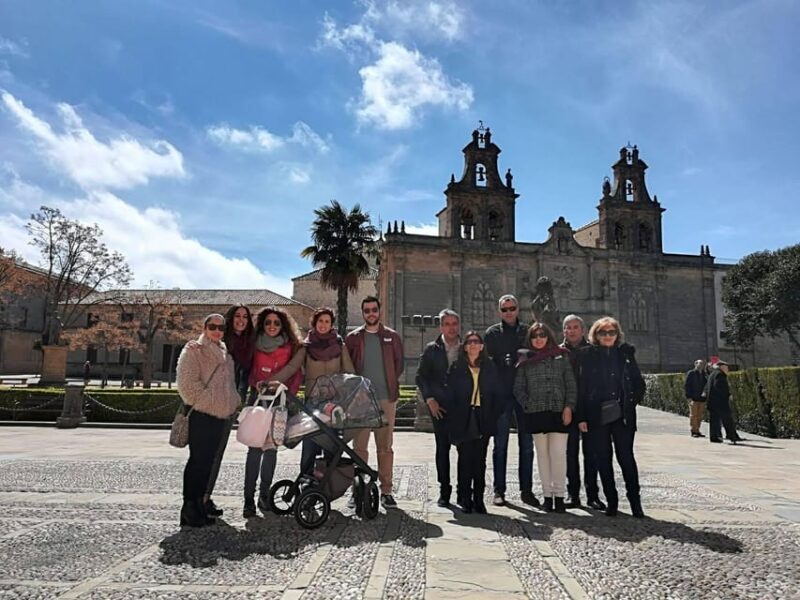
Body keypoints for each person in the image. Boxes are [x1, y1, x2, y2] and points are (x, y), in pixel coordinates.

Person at [577, 317, 646, 518]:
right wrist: (582, 416)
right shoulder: (587, 356)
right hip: (597, 415)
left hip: (622, 416)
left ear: (617, 334)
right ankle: (612, 501)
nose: (607, 336)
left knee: (626, 458)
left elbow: (639, 384)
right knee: (603, 460)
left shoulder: (625, 355)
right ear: (595, 335)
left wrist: (628, 403)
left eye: (611, 332)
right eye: (603, 332)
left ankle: (635, 502)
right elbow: (582, 388)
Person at [176, 313, 241, 527]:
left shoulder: (225, 352)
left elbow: (229, 384)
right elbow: (186, 384)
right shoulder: (194, 350)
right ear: (205, 328)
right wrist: (209, 402)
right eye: (212, 326)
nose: (217, 331)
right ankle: (189, 508)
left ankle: (200, 503)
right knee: (197, 462)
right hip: (202, 414)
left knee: (208, 463)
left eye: (221, 328)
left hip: (220, 416)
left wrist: (232, 402)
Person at [243, 307, 304, 518]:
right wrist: (256, 383)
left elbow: (296, 374)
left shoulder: (290, 346)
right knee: (254, 450)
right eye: (268, 322)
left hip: (279, 401)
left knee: (271, 450)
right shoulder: (254, 344)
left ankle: (264, 495)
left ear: (283, 325)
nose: (272, 326)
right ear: (262, 324)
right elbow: (248, 369)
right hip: (258, 400)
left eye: (276, 323)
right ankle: (248, 500)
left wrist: (288, 391)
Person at [346, 296, 404, 509]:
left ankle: (386, 490)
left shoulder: (392, 337)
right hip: (360, 401)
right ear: (363, 313)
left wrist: (387, 383)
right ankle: (358, 489)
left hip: (386, 398)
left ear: (379, 311)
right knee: (359, 447)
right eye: (367, 310)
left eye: (374, 310)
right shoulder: (353, 338)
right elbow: (348, 366)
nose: (371, 313)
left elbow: (399, 364)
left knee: (385, 446)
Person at [515, 322, 576, 513]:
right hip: (537, 412)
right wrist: (528, 404)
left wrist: (569, 407)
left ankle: (559, 496)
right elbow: (518, 387)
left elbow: (571, 384)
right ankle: (547, 496)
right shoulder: (525, 358)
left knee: (558, 454)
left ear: (548, 336)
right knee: (542, 456)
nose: (539, 338)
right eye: (535, 336)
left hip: (558, 411)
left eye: (542, 335)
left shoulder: (562, 355)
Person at [484, 294, 538, 507]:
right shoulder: (492, 334)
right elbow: (486, 365)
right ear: (499, 311)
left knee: (527, 445)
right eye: (505, 309)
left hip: (524, 395)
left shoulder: (527, 332)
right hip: (502, 396)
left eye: (512, 308)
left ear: (518, 309)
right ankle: (499, 490)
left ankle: (527, 490)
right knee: (501, 445)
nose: (509, 312)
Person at [202, 304, 255, 519]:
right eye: (237, 316)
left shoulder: (248, 345)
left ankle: (205, 497)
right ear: (230, 319)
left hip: (230, 404)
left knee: (217, 453)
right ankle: (197, 499)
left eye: (245, 317)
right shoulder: (220, 341)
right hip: (210, 402)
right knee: (204, 454)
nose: (241, 320)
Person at [445, 331, 499, 514]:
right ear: (465, 347)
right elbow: (450, 395)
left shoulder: (490, 367)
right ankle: (464, 497)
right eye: (469, 342)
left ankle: (479, 499)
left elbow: (495, 395)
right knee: (465, 459)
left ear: (482, 346)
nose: (473, 345)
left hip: (482, 417)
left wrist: (493, 416)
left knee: (480, 461)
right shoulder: (457, 367)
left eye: (476, 341)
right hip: (464, 417)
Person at [297, 307, 355, 475]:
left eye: (327, 321)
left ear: (331, 325)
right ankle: (306, 483)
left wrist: (359, 390)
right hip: (311, 403)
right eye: (320, 321)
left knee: (332, 446)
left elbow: (349, 371)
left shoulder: (339, 344)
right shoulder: (306, 345)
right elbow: (293, 366)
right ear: (314, 323)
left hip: (333, 405)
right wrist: (275, 380)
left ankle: (327, 486)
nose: (323, 324)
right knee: (309, 446)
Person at [415, 309, 462, 507]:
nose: (451, 328)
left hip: (462, 408)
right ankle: (444, 490)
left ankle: (463, 490)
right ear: (441, 327)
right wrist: (430, 399)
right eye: (447, 324)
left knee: (465, 450)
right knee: (442, 448)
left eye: (454, 324)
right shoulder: (431, 349)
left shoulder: (467, 347)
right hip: (439, 407)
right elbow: (421, 376)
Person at [561, 315, 604, 510]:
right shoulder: (560, 352)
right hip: (568, 408)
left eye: (575, 327)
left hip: (589, 409)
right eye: (568, 327)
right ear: (564, 331)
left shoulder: (594, 352)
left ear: (583, 330)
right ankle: (572, 493)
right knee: (570, 453)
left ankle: (593, 494)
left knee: (591, 453)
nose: (571, 331)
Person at [704, 360, 744, 444]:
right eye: (727, 367)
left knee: (714, 420)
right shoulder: (720, 374)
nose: (728, 369)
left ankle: (714, 437)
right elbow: (720, 387)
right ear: (722, 367)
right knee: (727, 419)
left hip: (712, 401)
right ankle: (732, 436)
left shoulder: (712, 374)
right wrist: (728, 395)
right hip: (720, 402)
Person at [684, 359, 708, 438]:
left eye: (702, 363)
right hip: (693, 398)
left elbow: (706, 385)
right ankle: (693, 431)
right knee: (693, 415)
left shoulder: (704, 374)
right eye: (699, 363)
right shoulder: (691, 373)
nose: (701, 365)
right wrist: (689, 397)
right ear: (695, 364)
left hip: (702, 399)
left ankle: (697, 430)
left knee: (700, 416)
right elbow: (687, 385)